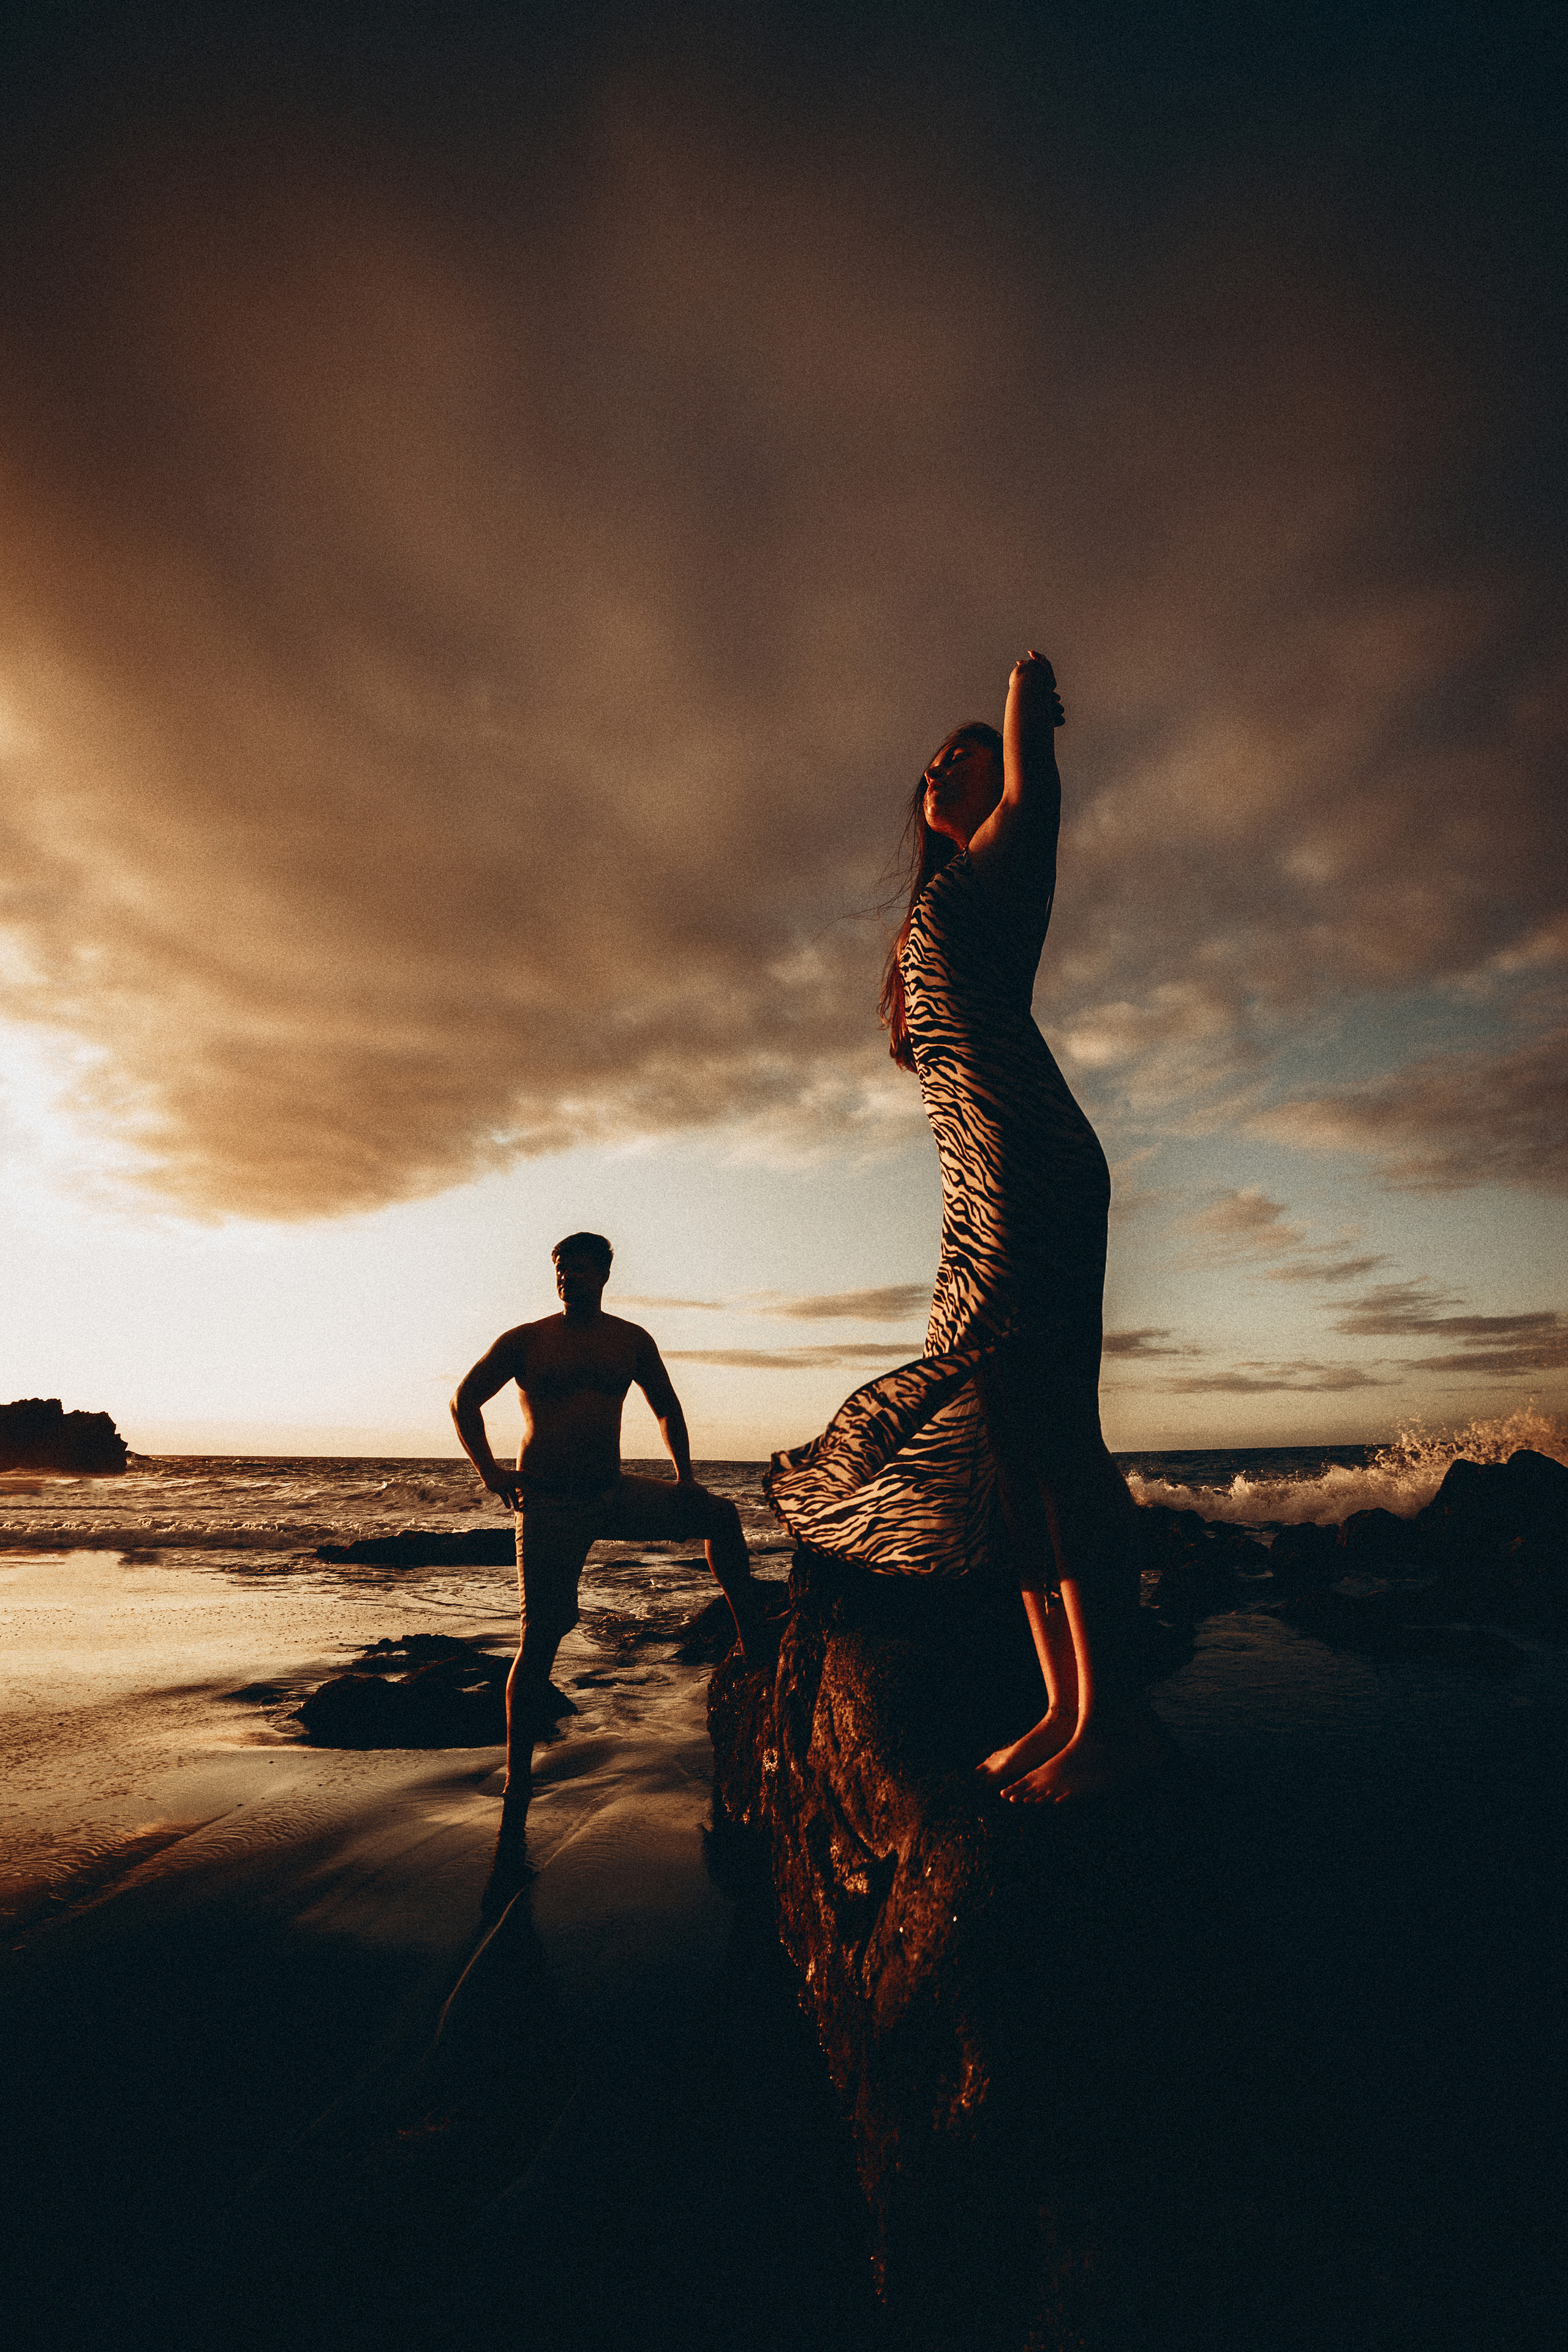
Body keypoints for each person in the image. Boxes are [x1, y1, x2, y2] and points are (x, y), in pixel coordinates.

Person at [766, 654, 1169, 1802]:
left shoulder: (1003, 865)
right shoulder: (938, 903)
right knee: (1003, 1435)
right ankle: (1062, 1709)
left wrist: (1021, 699)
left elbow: (1036, 793)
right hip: (978, 1181)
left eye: (969, 751)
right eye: (935, 757)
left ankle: (1116, 1721)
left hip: (1030, 1163)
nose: (944, 761)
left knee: (1050, 1424)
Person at [452, 1231, 767, 1902]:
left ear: (605, 1273)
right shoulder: (527, 1340)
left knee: (721, 1517)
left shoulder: (630, 1339)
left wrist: (684, 1476)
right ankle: (518, 1774)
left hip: (613, 1493)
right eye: (561, 1272)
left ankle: (753, 1641)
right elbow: (464, 1400)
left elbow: (665, 1405)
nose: (569, 1281)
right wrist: (489, 1474)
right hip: (550, 1507)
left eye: (581, 1271)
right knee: (541, 1637)